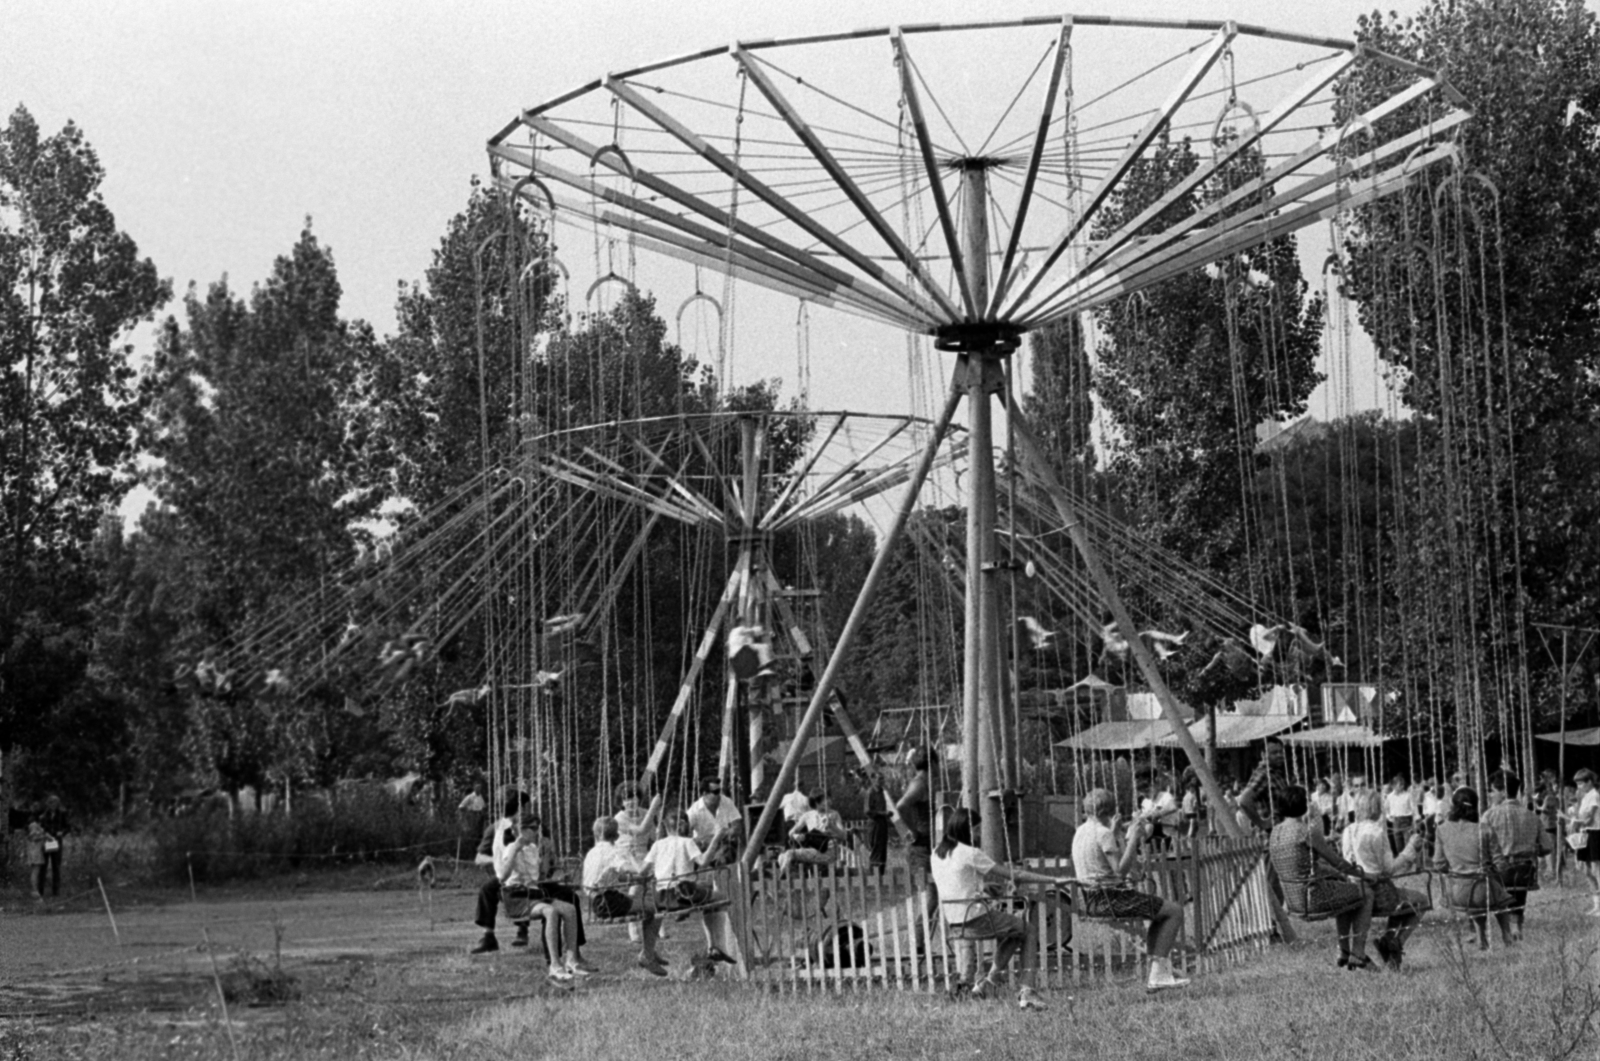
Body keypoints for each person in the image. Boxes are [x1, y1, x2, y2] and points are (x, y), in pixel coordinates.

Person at [931, 807, 1056, 1010]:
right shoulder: (971, 853)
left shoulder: (937, 854)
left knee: (1017, 931)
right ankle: (1027, 990)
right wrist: (1054, 880)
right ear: (967, 829)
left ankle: (988, 983)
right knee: (1029, 930)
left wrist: (983, 887)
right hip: (974, 918)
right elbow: (1016, 875)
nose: (979, 834)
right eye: (977, 829)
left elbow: (955, 882)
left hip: (954, 922)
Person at [1072, 787, 1191, 991]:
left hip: (1090, 898)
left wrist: (1117, 833)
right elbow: (1120, 872)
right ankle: (1158, 973)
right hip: (1111, 897)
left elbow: (1103, 860)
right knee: (1174, 911)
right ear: (1107, 812)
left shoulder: (1080, 832)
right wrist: (1134, 838)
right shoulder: (1102, 833)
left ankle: (1159, 969)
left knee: (1159, 915)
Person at [1267, 783, 1376, 970]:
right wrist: (1363, 875)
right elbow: (1337, 861)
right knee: (1365, 893)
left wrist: (1338, 875)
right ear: (1302, 805)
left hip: (1292, 900)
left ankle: (1343, 951)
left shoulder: (1275, 832)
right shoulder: (1307, 832)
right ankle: (1358, 952)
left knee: (1346, 894)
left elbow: (1306, 866)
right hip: (1313, 898)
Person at [1342, 790, 1429, 969]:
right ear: (1377, 808)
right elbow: (1389, 869)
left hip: (1353, 893)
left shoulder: (1348, 831)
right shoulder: (1377, 832)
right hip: (1380, 895)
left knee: (1402, 903)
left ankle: (1388, 940)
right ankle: (1397, 942)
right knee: (1421, 901)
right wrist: (1411, 849)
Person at [495, 809, 584, 982]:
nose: (537, 832)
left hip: (533, 893)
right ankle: (555, 966)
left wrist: (551, 870)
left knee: (570, 909)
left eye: (538, 828)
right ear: (520, 829)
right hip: (516, 895)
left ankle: (572, 961)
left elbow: (537, 878)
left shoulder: (534, 848)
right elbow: (502, 876)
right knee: (550, 912)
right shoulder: (511, 848)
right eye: (533, 828)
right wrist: (515, 849)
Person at [643, 808, 737, 965]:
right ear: (685, 827)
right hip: (683, 895)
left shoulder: (657, 845)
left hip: (661, 898)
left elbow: (643, 870)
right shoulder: (688, 842)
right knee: (721, 898)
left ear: (665, 827)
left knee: (708, 897)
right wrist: (717, 838)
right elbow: (704, 862)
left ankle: (714, 947)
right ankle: (715, 945)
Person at [582, 816, 666, 976]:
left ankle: (649, 950)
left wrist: (634, 879)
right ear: (617, 836)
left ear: (596, 833)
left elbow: (612, 875)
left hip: (598, 901)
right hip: (608, 902)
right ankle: (647, 954)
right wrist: (633, 858)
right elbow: (637, 870)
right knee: (656, 909)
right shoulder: (612, 852)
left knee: (648, 905)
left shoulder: (593, 852)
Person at [1433, 787, 1515, 949]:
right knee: (1498, 894)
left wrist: (1455, 869)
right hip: (1482, 891)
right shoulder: (1484, 829)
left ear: (1453, 806)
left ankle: (1480, 937)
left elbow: (1438, 863)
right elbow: (1500, 864)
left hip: (1455, 893)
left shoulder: (1442, 829)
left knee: (1479, 892)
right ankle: (1506, 934)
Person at [1482, 770, 1550, 938]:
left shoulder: (1489, 815)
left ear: (1503, 792)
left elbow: (1480, 845)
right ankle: (1516, 925)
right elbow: (1547, 847)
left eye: (1492, 791)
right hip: (1524, 872)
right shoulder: (1532, 816)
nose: (1490, 795)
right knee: (1518, 888)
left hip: (1499, 872)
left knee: (1496, 888)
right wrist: (1533, 849)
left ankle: (1503, 928)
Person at [895, 747, 936, 921]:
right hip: (920, 847)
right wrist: (913, 831)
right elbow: (901, 806)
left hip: (927, 844)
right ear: (933, 763)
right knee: (931, 897)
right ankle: (919, 943)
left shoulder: (924, 782)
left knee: (934, 896)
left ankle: (921, 941)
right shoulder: (919, 784)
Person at [779, 790, 849, 877]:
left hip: (828, 851)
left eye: (828, 798)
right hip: (813, 850)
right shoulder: (807, 816)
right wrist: (796, 836)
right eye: (825, 799)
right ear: (817, 802)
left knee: (790, 854)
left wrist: (832, 827)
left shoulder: (834, 814)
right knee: (781, 857)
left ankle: (781, 879)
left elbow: (844, 836)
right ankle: (792, 877)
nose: (829, 801)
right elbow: (791, 832)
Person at [1565, 768, 1600, 916]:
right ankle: (1596, 904)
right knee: (1586, 870)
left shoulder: (1595, 796)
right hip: (1585, 833)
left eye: (1581, 784)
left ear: (1590, 782)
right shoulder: (1585, 797)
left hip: (1595, 833)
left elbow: (1589, 819)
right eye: (1577, 784)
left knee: (1596, 869)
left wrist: (1574, 821)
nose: (1578, 787)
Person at [686, 779, 740, 852]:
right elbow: (684, 836)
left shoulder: (726, 802)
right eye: (716, 792)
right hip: (703, 848)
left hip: (724, 845)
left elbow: (737, 826)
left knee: (726, 852)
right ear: (705, 793)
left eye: (719, 791)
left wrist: (720, 837)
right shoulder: (694, 811)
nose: (719, 795)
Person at [36, 795, 68, 898]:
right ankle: (40, 891)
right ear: (48, 804)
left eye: (54, 803)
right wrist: (45, 834)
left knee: (56, 867)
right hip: (46, 842)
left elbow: (67, 827)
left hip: (57, 842)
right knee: (43, 867)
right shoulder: (43, 816)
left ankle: (56, 892)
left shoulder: (62, 814)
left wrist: (61, 833)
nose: (52, 805)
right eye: (50, 803)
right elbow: (39, 828)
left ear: (58, 804)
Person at [1384, 775, 1415, 856]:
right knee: (1398, 843)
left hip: (1407, 820)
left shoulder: (1408, 795)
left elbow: (1413, 808)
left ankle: (1410, 861)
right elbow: (1386, 809)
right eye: (1400, 784)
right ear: (1394, 786)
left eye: (1403, 784)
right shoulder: (1389, 797)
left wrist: (1415, 820)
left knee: (1408, 842)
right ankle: (1401, 861)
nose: (1402, 786)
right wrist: (1389, 817)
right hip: (1396, 821)